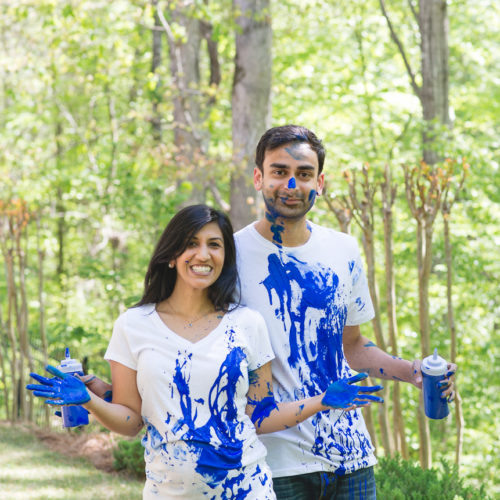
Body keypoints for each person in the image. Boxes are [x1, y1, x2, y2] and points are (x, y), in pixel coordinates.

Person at [27, 204, 384, 500]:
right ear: (171, 256)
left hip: (249, 489)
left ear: (225, 257)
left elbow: (260, 416)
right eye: (191, 244)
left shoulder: (247, 324)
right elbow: (132, 420)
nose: (203, 254)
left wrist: (324, 399)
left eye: (215, 245)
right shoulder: (133, 325)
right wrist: (88, 401)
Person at [233, 125, 457, 499]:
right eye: (279, 172)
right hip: (274, 463)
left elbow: (351, 347)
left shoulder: (343, 249)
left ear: (319, 183)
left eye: (303, 174)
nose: (291, 184)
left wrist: (413, 371)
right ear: (259, 177)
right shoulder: (230, 254)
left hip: (351, 459)